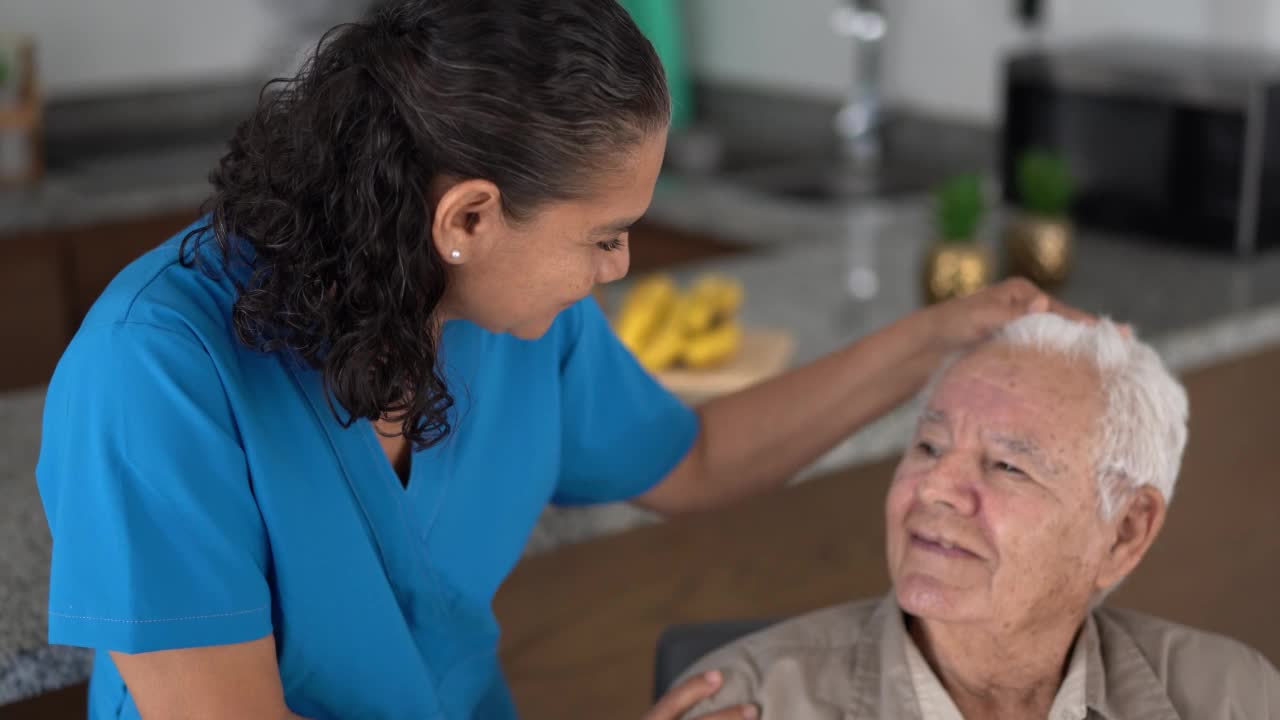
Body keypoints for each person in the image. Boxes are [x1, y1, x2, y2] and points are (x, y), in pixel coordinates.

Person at [35, 1, 1087, 718]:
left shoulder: (511, 317)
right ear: (470, 215)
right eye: (603, 234)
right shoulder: (154, 373)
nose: (619, 265)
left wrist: (937, 337)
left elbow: (695, 458)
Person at [676, 314, 1280, 719]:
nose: (935, 487)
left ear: (1124, 532)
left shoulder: (1233, 699)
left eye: (1007, 467)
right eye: (929, 447)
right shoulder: (750, 702)